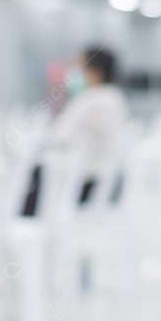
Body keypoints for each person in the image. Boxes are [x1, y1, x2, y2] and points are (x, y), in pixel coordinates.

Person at [21, 47, 129, 216]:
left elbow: (58, 137)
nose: (72, 72)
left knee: (24, 180)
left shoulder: (94, 101)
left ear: (95, 72)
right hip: (97, 181)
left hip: (84, 185)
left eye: (78, 67)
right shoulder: (112, 97)